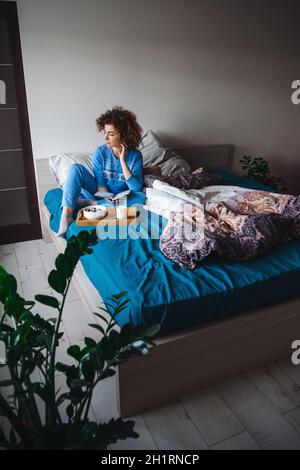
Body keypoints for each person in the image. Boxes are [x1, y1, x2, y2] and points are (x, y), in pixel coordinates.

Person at [57, 106, 144, 237]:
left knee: (143, 198)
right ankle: (67, 214)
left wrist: (122, 161)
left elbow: (136, 188)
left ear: (124, 135)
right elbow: (100, 184)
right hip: (101, 193)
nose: (106, 138)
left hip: (122, 198)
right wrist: (107, 197)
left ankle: (91, 204)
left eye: (111, 134)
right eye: (105, 132)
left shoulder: (135, 156)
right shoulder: (100, 152)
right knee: (75, 169)